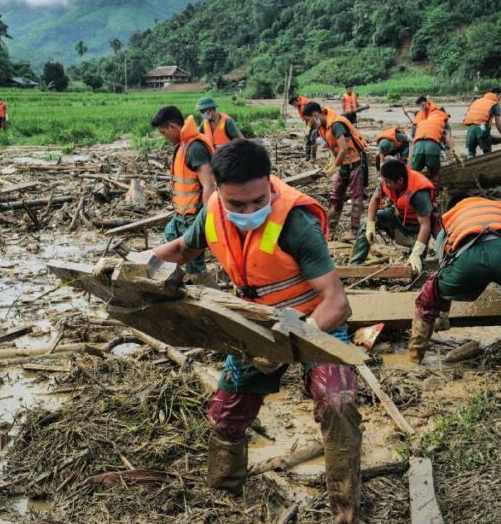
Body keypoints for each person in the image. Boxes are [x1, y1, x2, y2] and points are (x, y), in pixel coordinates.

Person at [151, 139, 361, 522]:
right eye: (238, 205)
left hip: (308, 319)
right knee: (226, 416)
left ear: (270, 184)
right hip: (255, 319)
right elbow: (182, 249)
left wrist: (288, 340)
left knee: (338, 402)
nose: (250, 211)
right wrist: (137, 266)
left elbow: (337, 302)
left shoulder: (297, 222)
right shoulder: (213, 211)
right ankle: (224, 499)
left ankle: (344, 510)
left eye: (258, 201)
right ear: (217, 189)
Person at [409, 197, 501, 364]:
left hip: (468, 262)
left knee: (429, 295)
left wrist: (443, 312)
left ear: (453, 208)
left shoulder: (450, 219)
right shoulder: (498, 210)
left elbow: (444, 265)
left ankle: (415, 357)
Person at [151, 106, 215, 276]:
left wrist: (207, 219)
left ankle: (205, 294)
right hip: (181, 215)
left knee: (194, 265)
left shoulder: (195, 148)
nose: (164, 138)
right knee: (167, 241)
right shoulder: (183, 144)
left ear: (173, 127)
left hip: (194, 216)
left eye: (164, 133)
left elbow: (209, 185)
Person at [349, 160, 436, 269]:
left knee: (415, 266)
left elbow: (425, 225)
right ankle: (355, 263)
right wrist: (370, 225)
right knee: (368, 222)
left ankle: (414, 254)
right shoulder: (386, 182)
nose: (385, 184)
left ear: (400, 181)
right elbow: (375, 199)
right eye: (384, 181)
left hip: (416, 230)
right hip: (397, 219)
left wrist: (416, 252)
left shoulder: (419, 194)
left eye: (387, 182)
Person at [303, 102, 368, 236]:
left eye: (308, 120)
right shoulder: (322, 126)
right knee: (336, 196)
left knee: (356, 198)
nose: (309, 124)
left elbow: (343, 149)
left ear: (315, 115)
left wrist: (334, 167)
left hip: (356, 163)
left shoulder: (336, 124)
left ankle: (354, 233)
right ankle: (330, 230)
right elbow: (334, 148)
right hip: (345, 163)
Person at [410, 105, 457, 184]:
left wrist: (411, 157)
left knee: (413, 173)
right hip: (431, 148)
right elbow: (448, 139)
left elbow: (414, 140)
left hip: (417, 147)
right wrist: (453, 156)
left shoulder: (425, 120)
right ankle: (435, 193)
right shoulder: (444, 122)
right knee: (435, 175)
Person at [463, 88, 501, 158]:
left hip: (471, 129)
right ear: (498, 95)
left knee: (471, 152)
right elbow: (498, 125)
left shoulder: (477, 101)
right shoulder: (495, 105)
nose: (500, 99)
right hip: (482, 128)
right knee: (487, 152)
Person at [290, 96, 316, 161]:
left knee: (313, 139)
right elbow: (306, 119)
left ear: (296, 101)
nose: (294, 106)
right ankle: (307, 157)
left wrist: (308, 128)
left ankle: (313, 157)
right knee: (308, 139)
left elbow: (310, 119)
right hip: (308, 123)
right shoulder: (300, 106)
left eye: (293, 104)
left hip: (314, 122)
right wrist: (307, 128)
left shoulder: (305, 106)